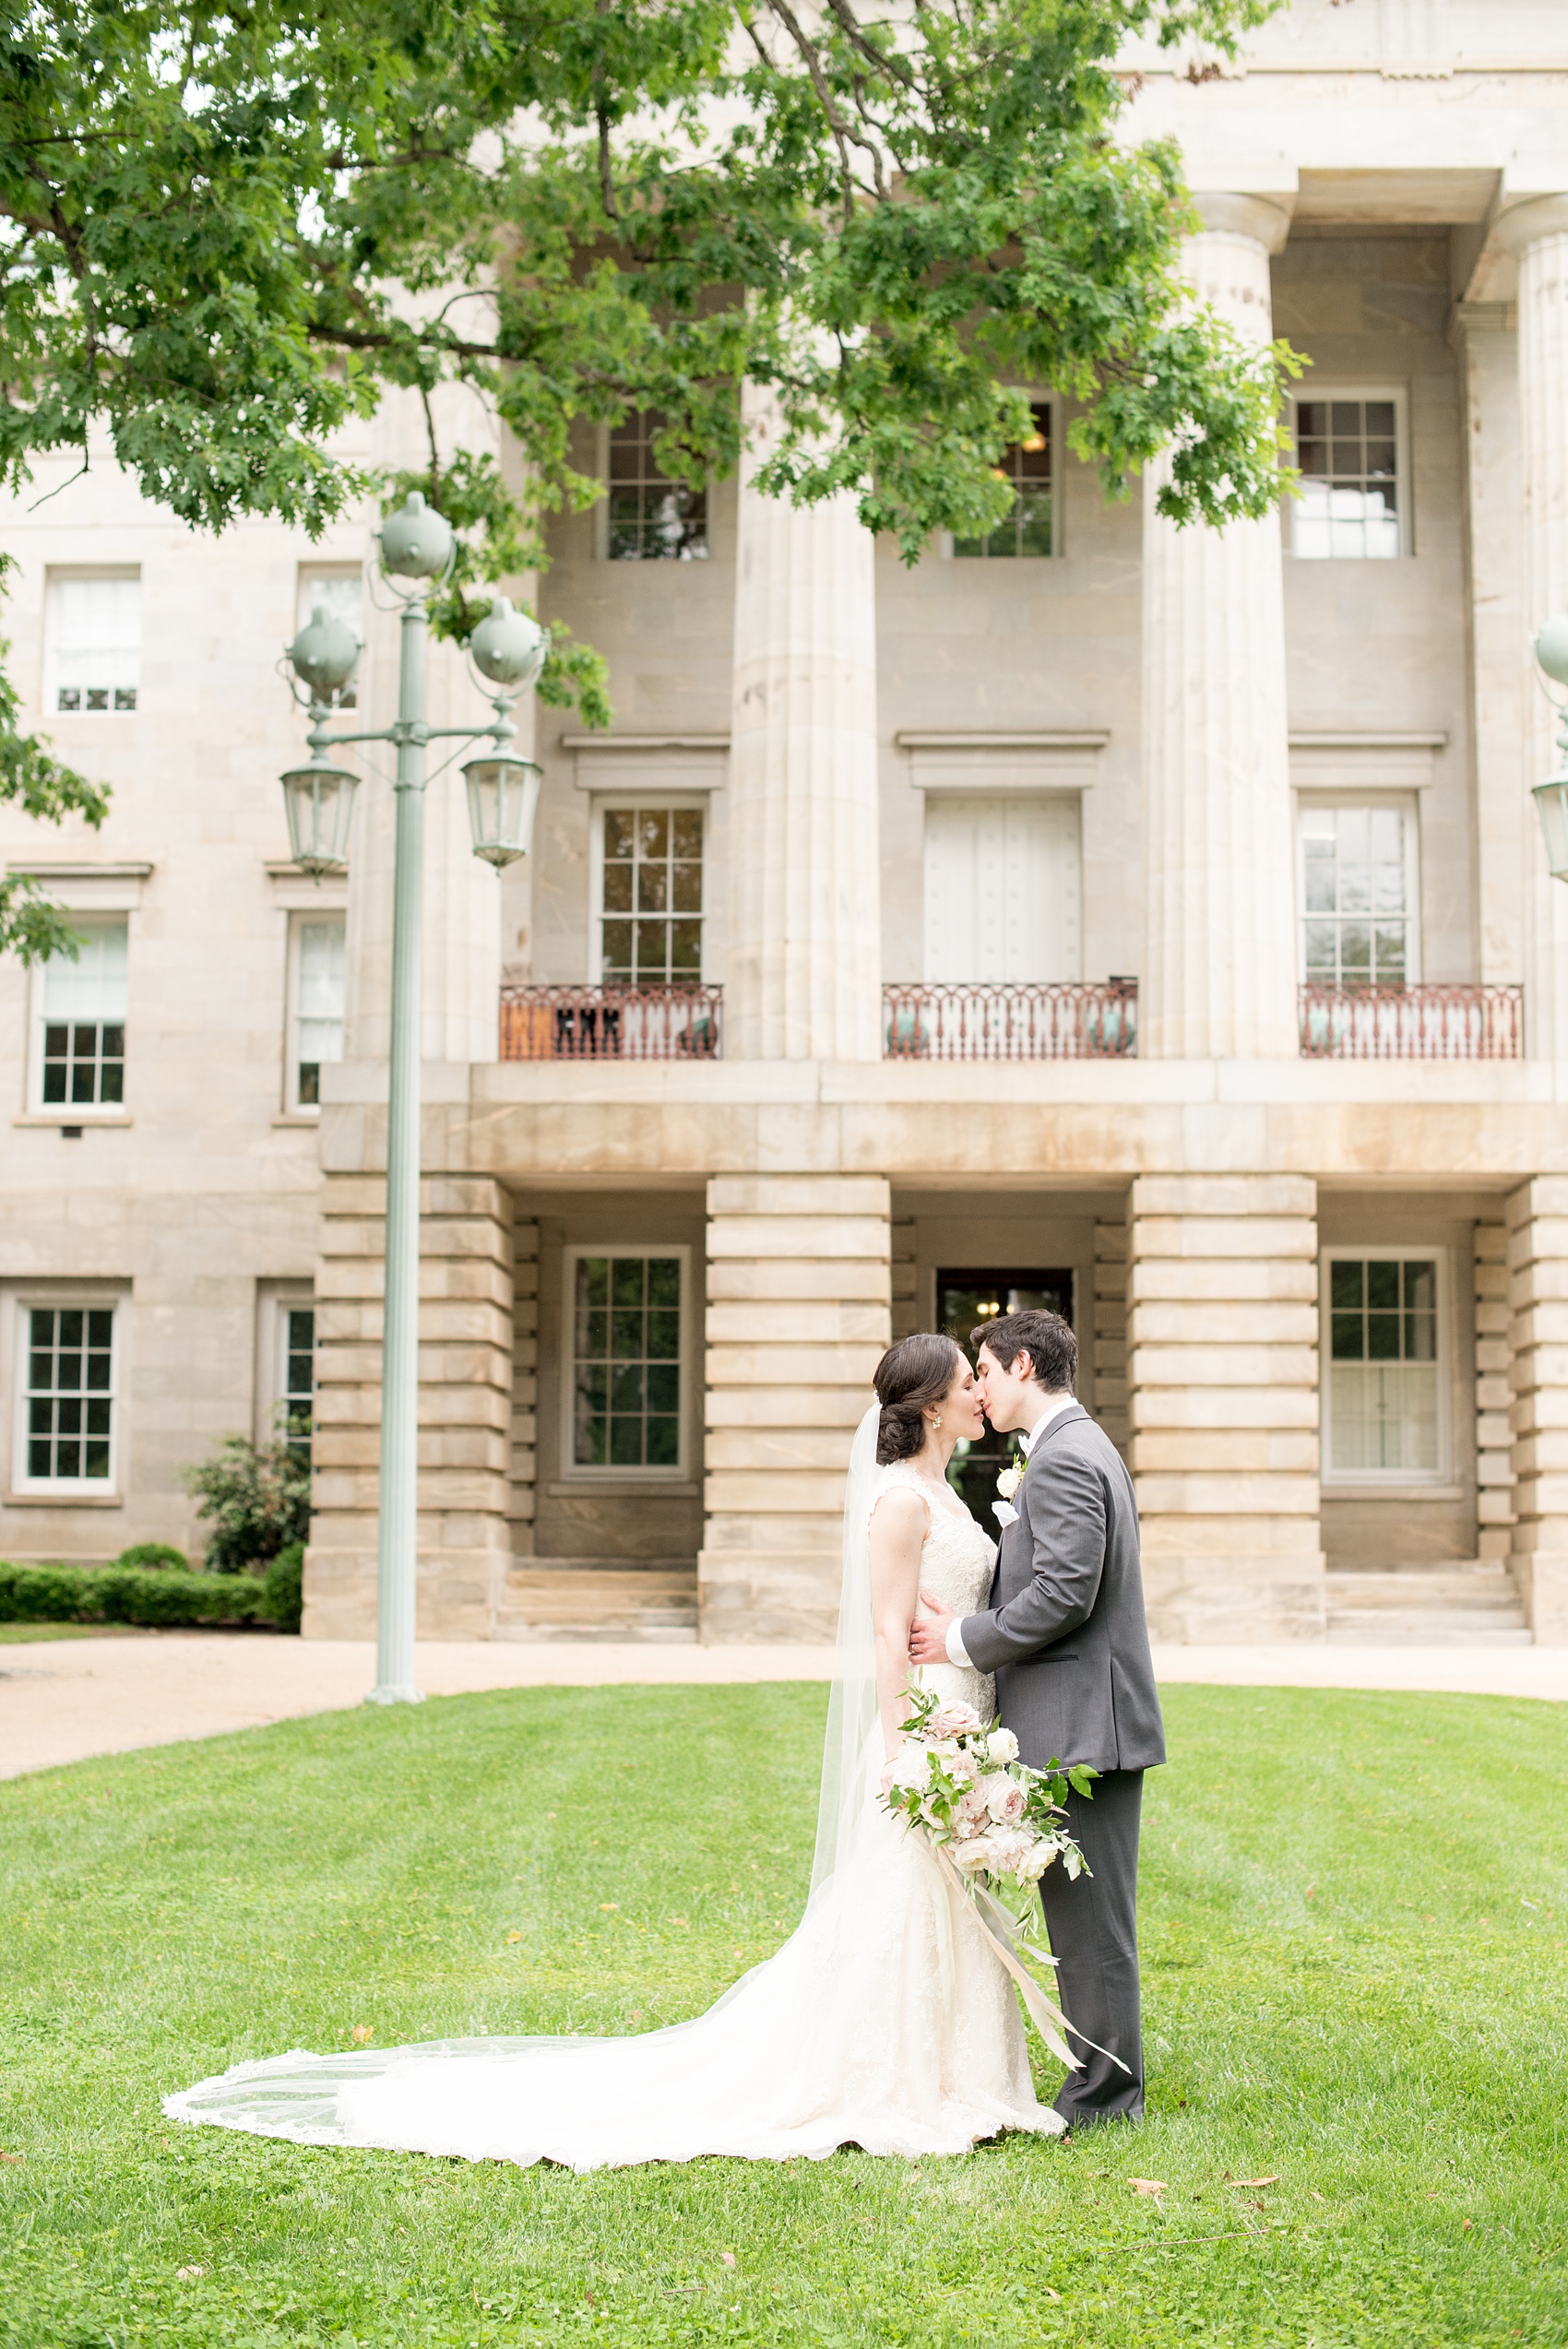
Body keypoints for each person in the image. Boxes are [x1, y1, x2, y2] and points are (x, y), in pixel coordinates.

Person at [163, 1334, 1064, 2170]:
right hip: (922, 1722)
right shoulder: (900, 1502)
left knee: (951, 1891)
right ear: (931, 1404)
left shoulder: (945, 1491)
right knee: (903, 1896)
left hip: (963, 1702)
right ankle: (891, 2075)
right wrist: (905, 1741)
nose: (976, 1392)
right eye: (962, 1381)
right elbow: (880, 1631)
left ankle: (966, 2074)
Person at [909, 1308, 1165, 2128]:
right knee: (1084, 1916)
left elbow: (1063, 1593)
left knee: (1093, 1924)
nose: (978, 1387)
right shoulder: (1072, 1448)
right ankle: (1102, 2083)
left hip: (1083, 1720)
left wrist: (957, 1638)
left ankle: (1105, 2097)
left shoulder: (1062, 1459)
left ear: (1022, 1364)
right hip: (1082, 1714)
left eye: (982, 1369)